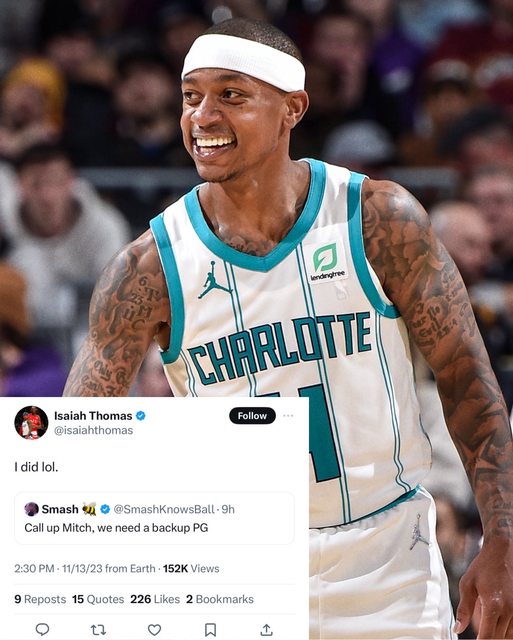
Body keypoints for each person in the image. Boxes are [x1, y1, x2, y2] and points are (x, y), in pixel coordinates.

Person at [64, 17, 513, 639]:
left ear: (292, 109)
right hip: (241, 569)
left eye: (231, 94)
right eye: (191, 96)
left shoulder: (378, 219)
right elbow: (76, 443)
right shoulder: (146, 270)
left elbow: (467, 380)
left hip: (391, 559)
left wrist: (503, 537)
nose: (203, 116)